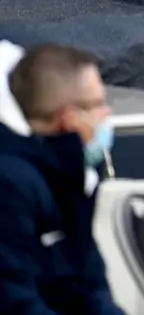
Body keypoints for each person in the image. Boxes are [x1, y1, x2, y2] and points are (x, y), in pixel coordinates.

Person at [0, 43, 124, 315]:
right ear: (70, 118)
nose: (107, 114)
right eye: (99, 103)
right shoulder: (11, 184)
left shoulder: (68, 178)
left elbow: (89, 284)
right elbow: (14, 300)